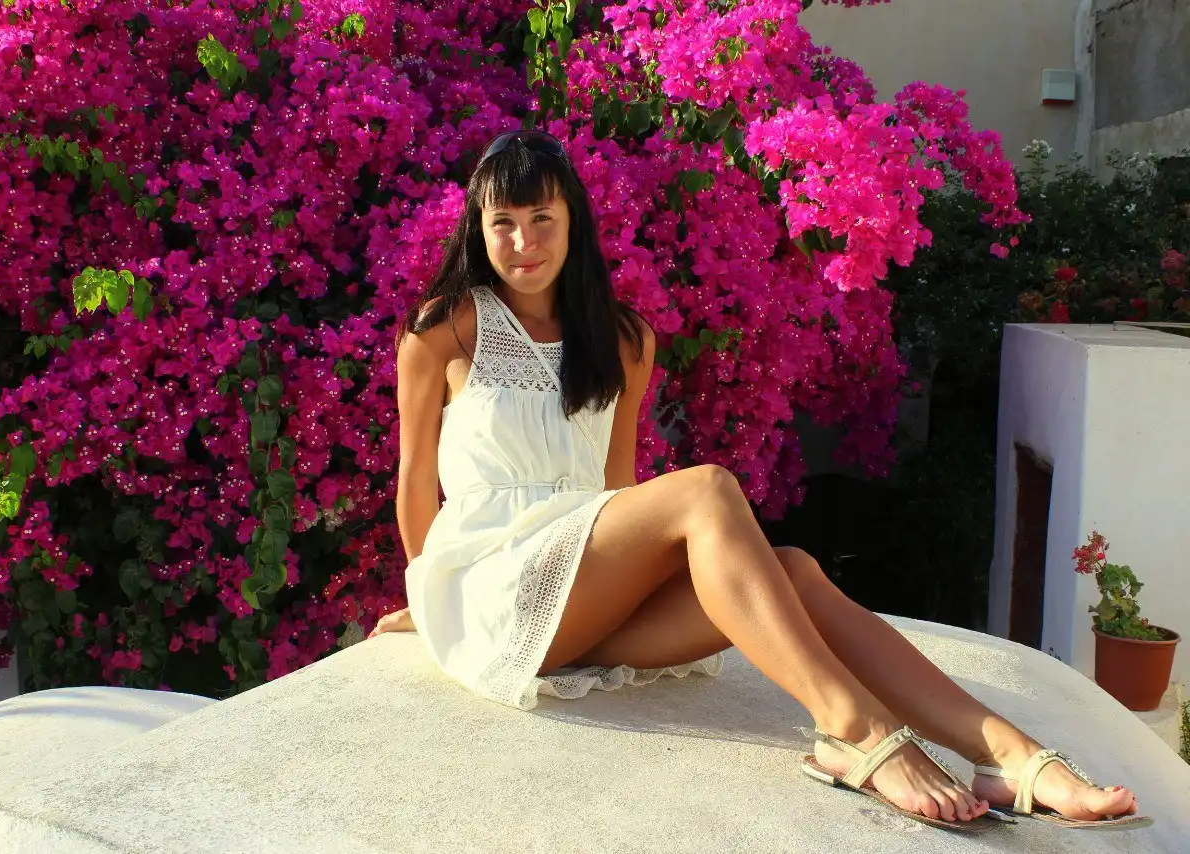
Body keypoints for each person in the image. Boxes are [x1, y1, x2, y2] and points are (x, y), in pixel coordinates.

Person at [370, 129, 1147, 831]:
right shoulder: (445, 329)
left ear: (573, 221)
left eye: (542, 218)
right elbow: (415, 480)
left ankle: (1008, 753)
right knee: (707, 487)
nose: (523, 241)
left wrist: (645, 570)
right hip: (495, 584)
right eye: (503, 222)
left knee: (796, 571)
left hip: (582, 586)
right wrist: (428, 594)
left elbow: (615, 491)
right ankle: (853, 728)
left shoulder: (624, 340)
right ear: (478, 229)